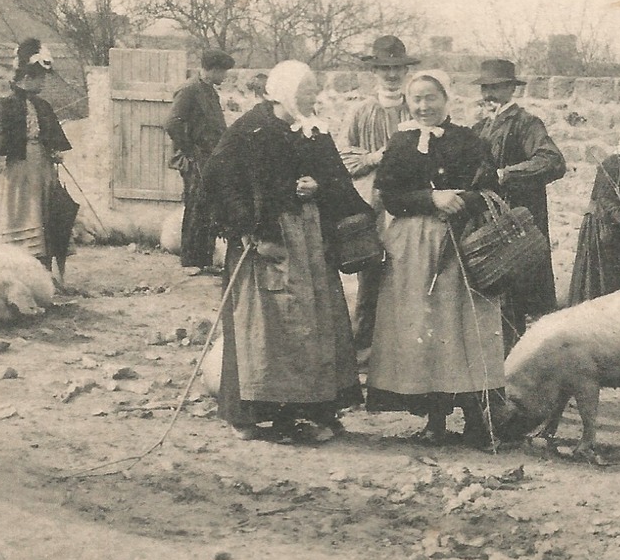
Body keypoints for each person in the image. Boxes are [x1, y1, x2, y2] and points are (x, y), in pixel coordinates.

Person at [200, 60, 371, 443]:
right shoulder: (250, 130)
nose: (313, 96)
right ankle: (250, 414)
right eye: (306, 90)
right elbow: (218, 179)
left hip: (310, 243)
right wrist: (245, 226)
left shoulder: (314, 131)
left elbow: (336, 180)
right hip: (266, 245)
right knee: (264, 329)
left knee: (311, 326)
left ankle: (307, 411)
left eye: (314, 89)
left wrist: (319, 187)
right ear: (286, 91)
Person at [366, 71, 505, 448]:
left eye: (431, 98)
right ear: (408, 103)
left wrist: (461, 199)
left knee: (464, 328)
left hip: (461, 246)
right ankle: (435, 418)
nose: (424, 106)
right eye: (417, 99)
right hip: (413, 247)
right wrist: (431, 199)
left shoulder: (469, 140)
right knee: (427, 330)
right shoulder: (400, 142)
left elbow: (490, 187)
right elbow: (391, 197)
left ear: (447, 100)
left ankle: (479, 419)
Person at [470, 58, 566, 348]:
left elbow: (552, 161)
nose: (489, 95)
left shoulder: (526, 124)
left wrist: (505, 174)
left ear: (512, 89)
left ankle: (514, 366)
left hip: (515, 222)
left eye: (496, 88)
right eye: (486, 88)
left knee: (513, 295)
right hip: (485, 218)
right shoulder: (480, 127)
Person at [0, 38, 72, 286]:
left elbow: (49, 133)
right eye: (39, 78)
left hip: (42, 166)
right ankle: (15, 268)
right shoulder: (7, 105)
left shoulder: (42, 106)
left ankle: (45, 268)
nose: (42, 83)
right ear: (26, 78)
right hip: (20, 166)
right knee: (21, 212)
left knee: (44, 212)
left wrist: (55, 150)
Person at [340, 35, 419, 355]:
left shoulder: (416, 109)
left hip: (408, 204)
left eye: (397, 68)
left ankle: (403, 350)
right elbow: (345, 160)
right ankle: (364, 347)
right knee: (370, 275)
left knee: (409, 272)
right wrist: (379, 156)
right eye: (384, 68)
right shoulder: (361, 112)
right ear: (374, 71)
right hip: (371, 204)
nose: (391, 74)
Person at [164, 49, 234, 275]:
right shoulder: (189, 90)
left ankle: (204, 259)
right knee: (196, 206)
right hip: (196, 159)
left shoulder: (209, 91)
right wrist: (189, 150)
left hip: (210, 158)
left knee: (208, 207)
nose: (224, 77)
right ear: (212, 69)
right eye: (223, 72)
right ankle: (190, 261)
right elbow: (172, 123)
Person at [568, 128, 620, 304]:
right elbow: (604, 198)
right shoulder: (619, 166)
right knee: (605, 276)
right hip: (604, 228)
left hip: (614, 225)